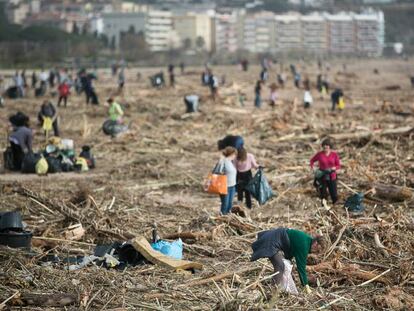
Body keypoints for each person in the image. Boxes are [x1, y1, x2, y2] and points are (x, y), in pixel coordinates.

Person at [251, 227, 324, 293]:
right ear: (315, 243)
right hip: (272, 240)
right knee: (280, 266)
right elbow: (301, 267)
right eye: (318, 250)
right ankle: (273, 291)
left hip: (275, 237)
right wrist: (306, 285)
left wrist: (291, 273)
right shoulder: (304, 245)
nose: (316, 253)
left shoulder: (306, 241)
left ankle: (275, 287)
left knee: (284, 266)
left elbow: (290, 251)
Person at [310, 139, 341, 204]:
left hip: (332, 175)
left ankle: (334, 203)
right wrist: (313, 168)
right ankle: (324, 204)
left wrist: (334, 168)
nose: (325, 148)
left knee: (333, 192)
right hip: (322, 174)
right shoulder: (319, 154)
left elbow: (338, 165)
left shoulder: (334, 155)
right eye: (324, 147)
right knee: (323, 192)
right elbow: (312, 160)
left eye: (327, 146)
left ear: (330, 147)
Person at [219, 147, 237, 215]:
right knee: (225, 205)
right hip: (225, 186)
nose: (235, 156)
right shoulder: (223, 161)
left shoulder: (231, 162)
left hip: (232, 186)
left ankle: (227, 220)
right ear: (231, 154)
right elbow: (218, 172)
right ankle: (221, 218)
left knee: (230, 205)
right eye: (234, 154)